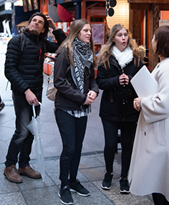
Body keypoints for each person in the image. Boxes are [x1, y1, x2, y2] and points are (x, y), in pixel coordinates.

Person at [130, 26, 169, 205]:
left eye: (154, 39)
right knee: (164, 186)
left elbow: (166, 101)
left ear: (161, 43)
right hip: (164, 133)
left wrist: (143, 102)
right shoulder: (168, 65)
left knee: (166, 189)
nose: (151, 42)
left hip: (166, 136)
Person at [4, 12, 66, 184]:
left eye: (40, 23)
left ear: (43, 29)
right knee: (22, 130)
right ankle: (9, 165)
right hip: (22, 93)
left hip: (36, 94)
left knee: (32, 130)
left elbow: (64, 46)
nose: (36, 24)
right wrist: (26, 90)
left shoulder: (42, 43)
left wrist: (55, 28)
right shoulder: (17, 41)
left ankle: (24, 164)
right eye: (34, 21)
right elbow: (9, 70)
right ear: (29, 23)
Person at [53, 19, 99, 205]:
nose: (89, 33)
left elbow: (92, 79)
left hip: (82, 108)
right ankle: (64, 185)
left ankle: (73, 181)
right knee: (70, 147)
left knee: (78, 147)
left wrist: (94, 91)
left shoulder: (88, 53)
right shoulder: (65, 52)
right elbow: (59, 81)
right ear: (77, 32)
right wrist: (82, 97)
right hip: (65, 108)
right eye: (85, 30)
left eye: (89, 30)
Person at [96, 24, 144, 193]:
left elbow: (143, 81)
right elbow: (100, 82)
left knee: (127, 144)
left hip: (130, 109)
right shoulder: (105, 57)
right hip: (110, 108)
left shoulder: (137, 57)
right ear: (113, 38)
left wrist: (130, 79)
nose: (124, 38)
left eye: (125, 35)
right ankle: (108, 173)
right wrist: (116, 81)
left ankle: (124, 177)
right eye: (120, 35)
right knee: (110, 144)